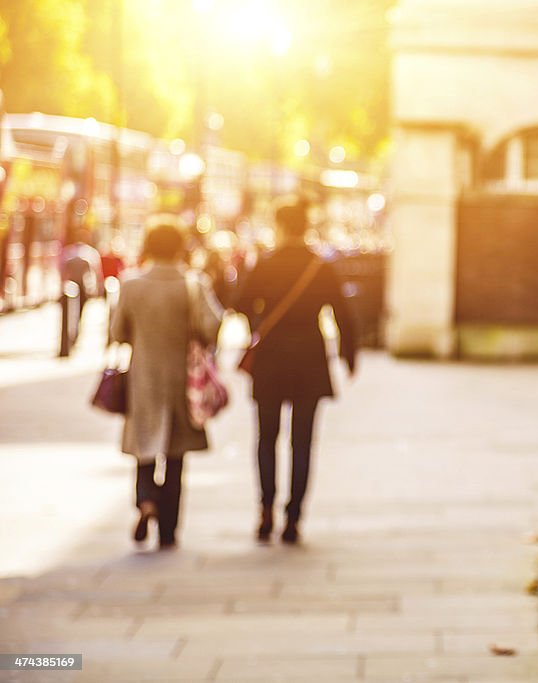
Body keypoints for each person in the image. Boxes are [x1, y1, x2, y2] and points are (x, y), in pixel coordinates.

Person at [234, 197, 358, 545]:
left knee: (266, 438)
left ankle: (265, 509)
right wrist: (350, 355)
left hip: (271, 359)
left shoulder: (265, 264)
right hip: (309, 358)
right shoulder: (320, 267)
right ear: (305, 227)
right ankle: (294, 516)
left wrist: (258, 322)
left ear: (279, 226)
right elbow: (343, 313)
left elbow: (239, 302)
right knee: (302, 441)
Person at [110, 218, 223, 549]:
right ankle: (170, 529)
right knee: (176, 456)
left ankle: (146, 501)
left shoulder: (130, 285)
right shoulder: (193, 284)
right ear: (179, 247)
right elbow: (212, 326)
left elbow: (117, 332)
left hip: (143, 380)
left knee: (143, 450)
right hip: (182, 384)